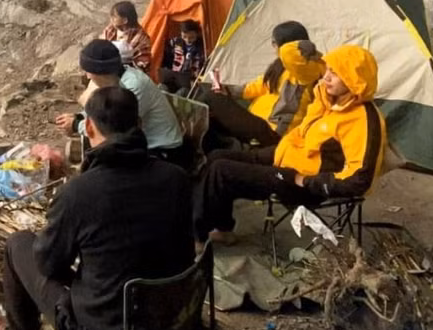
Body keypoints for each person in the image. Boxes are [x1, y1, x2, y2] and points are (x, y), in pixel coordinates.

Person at [0, 84, 195, 330]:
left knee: (18, 245)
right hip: (177, 329)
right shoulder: (176, 178)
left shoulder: (79, 195)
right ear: (139, 124)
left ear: (90, 128)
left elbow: (48, 266)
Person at [195, 45, 384, 241]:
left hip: (302, 183)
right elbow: (302, 137)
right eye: (328, 69)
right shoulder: (327, 100)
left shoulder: (362, 119)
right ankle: (222, 228)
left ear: (354, 79)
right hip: (284, 159)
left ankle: (196, 239)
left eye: (335, 73)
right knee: (217, 156)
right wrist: (273, 153)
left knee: (221, 170)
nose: (326, 77)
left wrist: (304, 180)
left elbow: (359, 180)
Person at [56, 39, 186, 162]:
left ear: (100, 71)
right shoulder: (113, 82)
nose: (87, 76)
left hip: (163, 149)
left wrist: (76, 125)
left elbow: (114, 130)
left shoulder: (133, 87)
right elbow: (101, 109)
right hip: (143, 145)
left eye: (88, 71)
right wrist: (79, 116)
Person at [203, 22, 325, 149]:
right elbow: (259, 85)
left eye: (275, 42)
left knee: (212, 97)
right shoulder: (280, 66)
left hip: (274, 133)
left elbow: (290, 54)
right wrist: (228, 90)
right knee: (211, 117)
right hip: (257, 120)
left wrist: (301, 47)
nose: (273, 46)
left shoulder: (307, 71)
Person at [160, 19, 206, 94]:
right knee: (162, 88)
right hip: (172, 77)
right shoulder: (175, 42)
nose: (187, 40)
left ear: (197, 34)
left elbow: (200, 67)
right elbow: (166, 56)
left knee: (182, 93)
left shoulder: (201, 47)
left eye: (191, 37)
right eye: (184, 37)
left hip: (187, 82)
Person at [102, 0, 151, 69]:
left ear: (125, 20)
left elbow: (143, 63)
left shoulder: (141, 38)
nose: (111, 19)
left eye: (114, 17)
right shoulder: (111, 29)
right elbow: (101, 46)